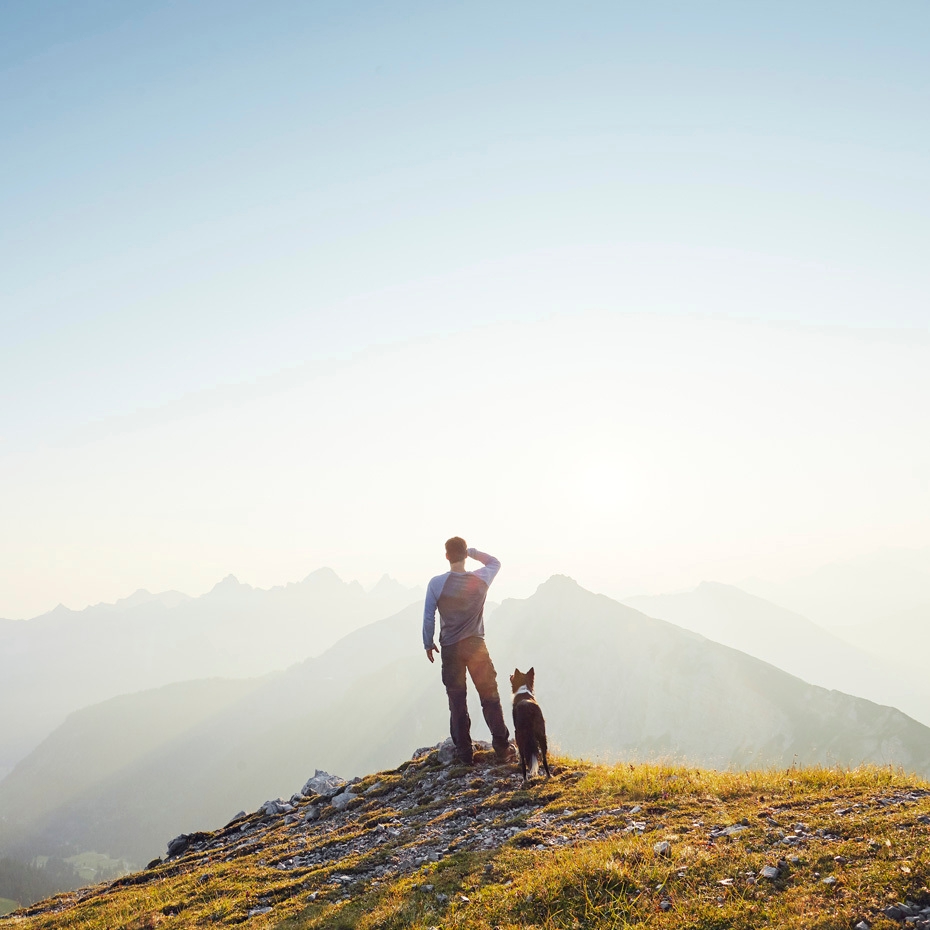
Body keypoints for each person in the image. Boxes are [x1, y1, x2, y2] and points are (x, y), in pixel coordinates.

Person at [422, 537, 512, 764]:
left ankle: (464, 754)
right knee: (489, 697)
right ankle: (502, 747)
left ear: (446, 556)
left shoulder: (436, 584)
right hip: (476, 646)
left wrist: (428, 642)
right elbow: (495, 562)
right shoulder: (481, 578)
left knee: (457, 701)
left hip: (450, 648)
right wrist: (472, 552)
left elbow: (429, 615)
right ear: (464, 555)